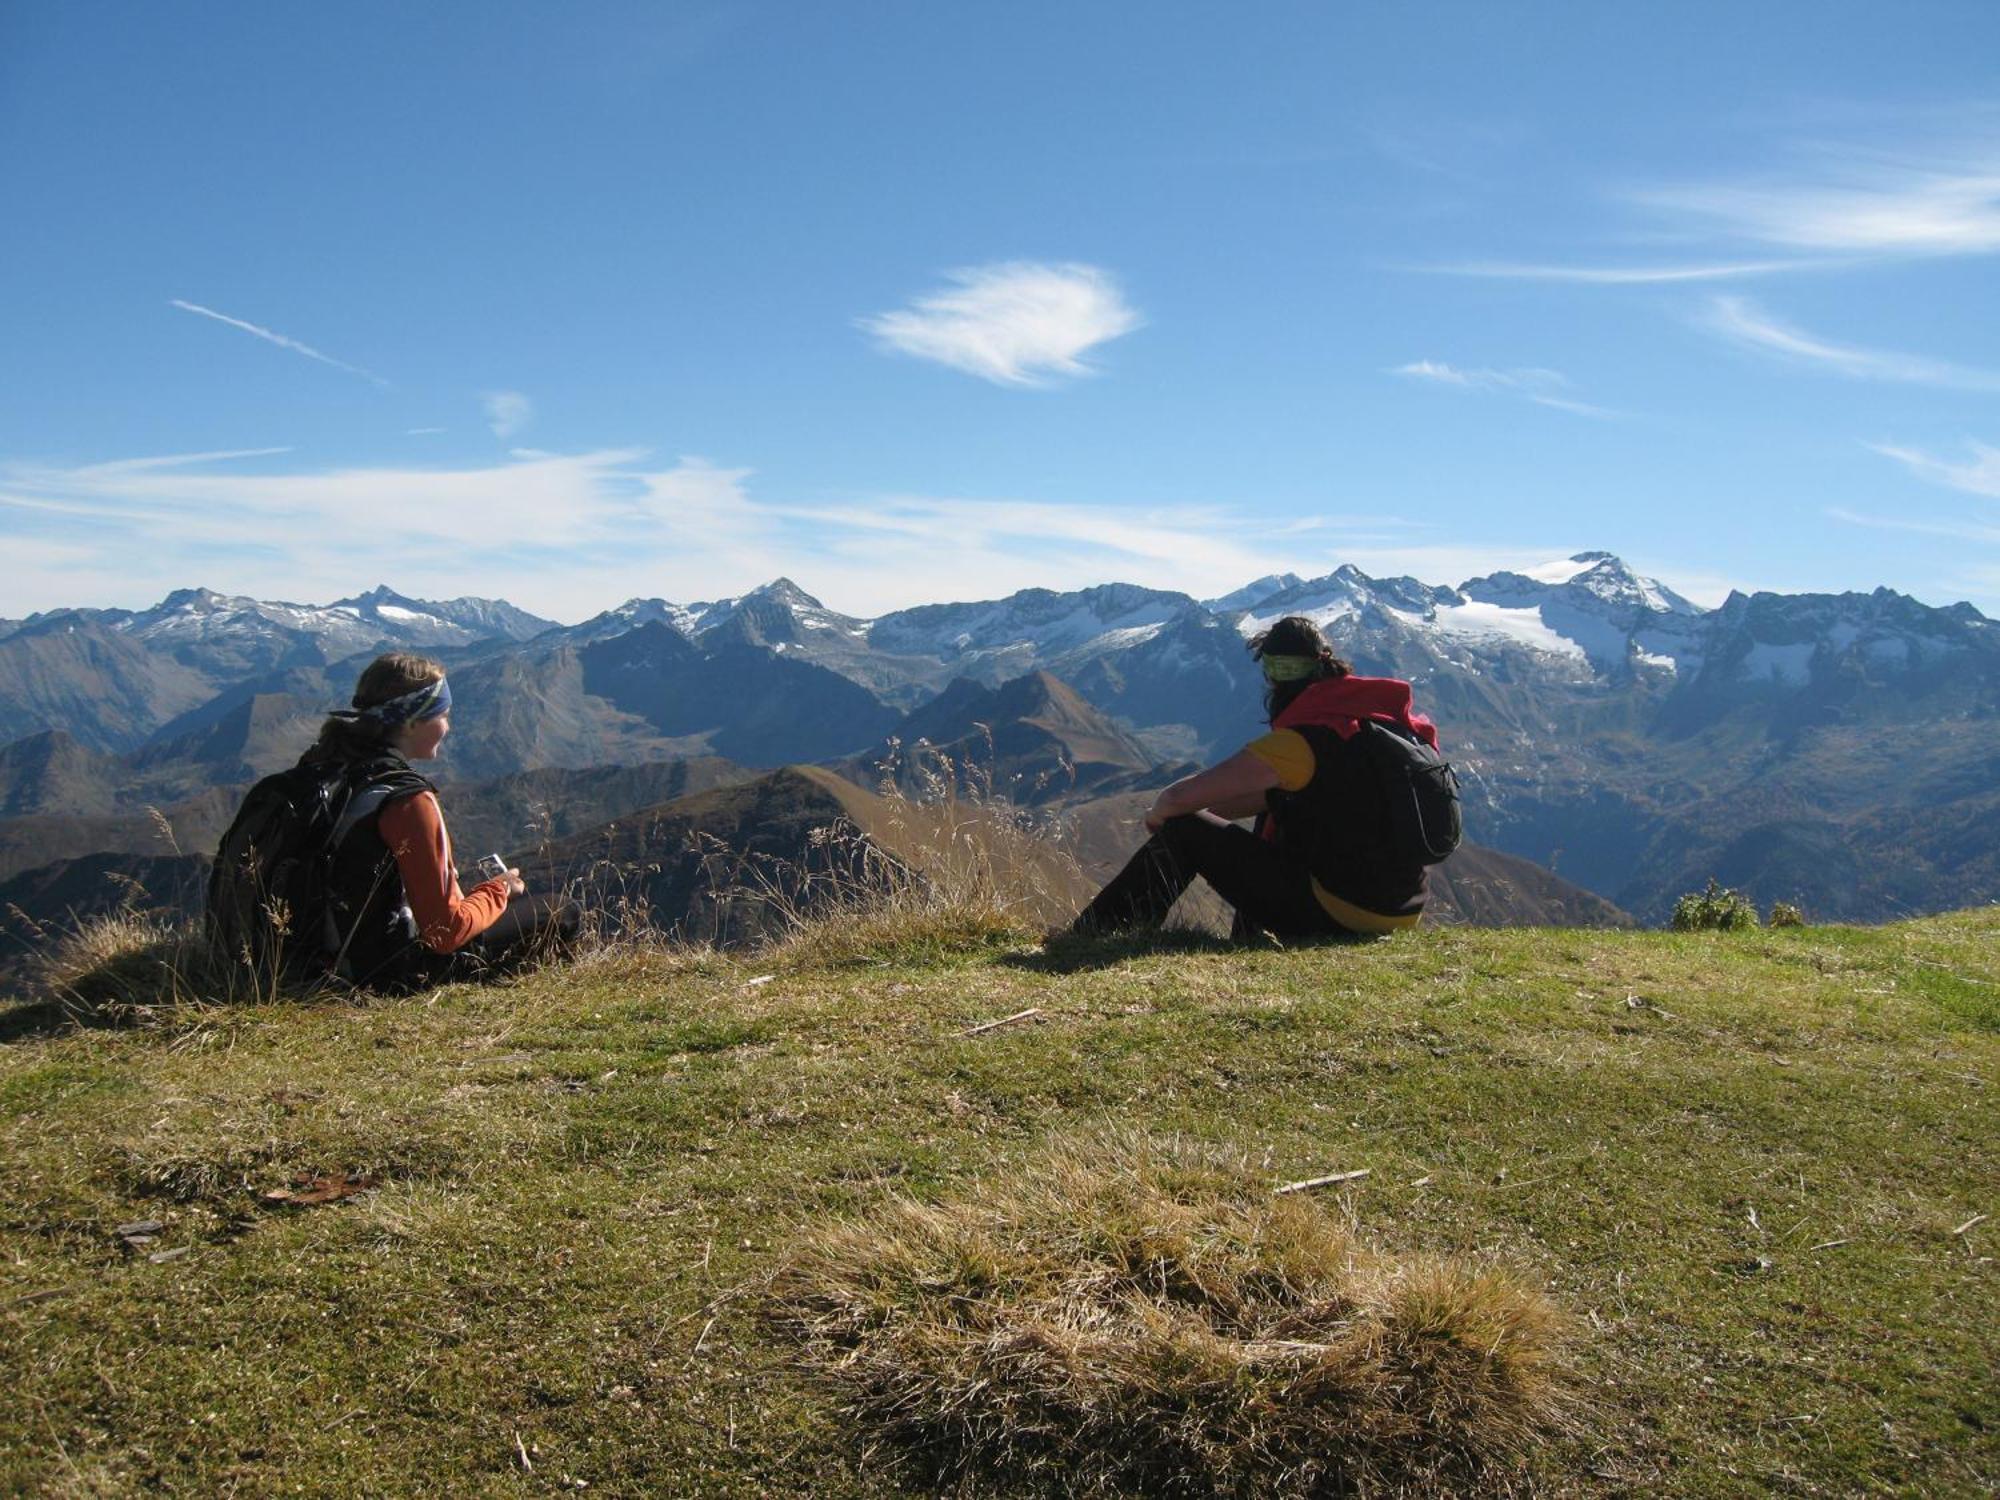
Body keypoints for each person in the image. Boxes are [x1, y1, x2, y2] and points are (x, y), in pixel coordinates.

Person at [1070, 615, 1436, 940]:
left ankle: (1096, 933)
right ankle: (1246, 939)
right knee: (1279, 801)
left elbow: (1177, 799)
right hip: (1402, 910)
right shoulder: (1374, 725)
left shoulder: (1304, 741)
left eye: (1277, 670)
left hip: (1341, 912)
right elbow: (1280, 798)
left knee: (1185, 831)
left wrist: (1165, 817)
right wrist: (1208, 815)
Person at [308, 652, 575, 990]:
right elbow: (444, 933)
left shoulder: (326, 768)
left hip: (314, 959)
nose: (448, 726)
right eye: (443, 715)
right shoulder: (408, 800)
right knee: (562, 911)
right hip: (385, 971)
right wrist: (500, 889)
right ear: (411, 721)